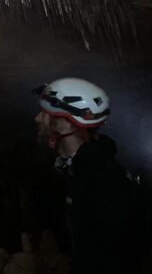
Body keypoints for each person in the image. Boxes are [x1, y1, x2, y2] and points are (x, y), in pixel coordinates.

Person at [34, 78, 138, 274]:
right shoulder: (79, 170)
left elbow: (117, 254)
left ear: (66, 126)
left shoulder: (103, 179)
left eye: (45, 114)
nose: (38, 119)